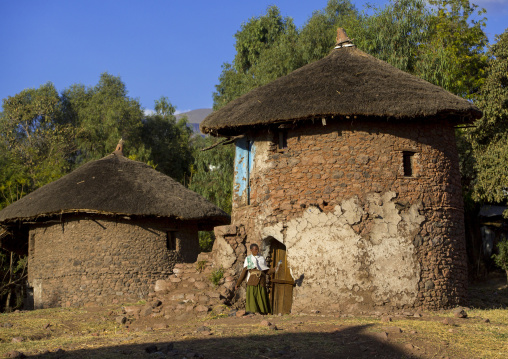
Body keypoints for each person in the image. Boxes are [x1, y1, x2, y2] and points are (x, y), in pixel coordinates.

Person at [235, 243, 275, 314]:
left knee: (261, 296)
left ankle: (262, 312)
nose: (257, 251)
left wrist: (275, 269)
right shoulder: (248, 259)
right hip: (252, 281)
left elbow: (266, 271)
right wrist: (238, 283)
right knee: (253, 297)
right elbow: (244, 272)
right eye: (255, 249)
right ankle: (253, 312)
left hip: (261, 281)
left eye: (257, 249)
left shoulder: (262, 258)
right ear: (251, 250)